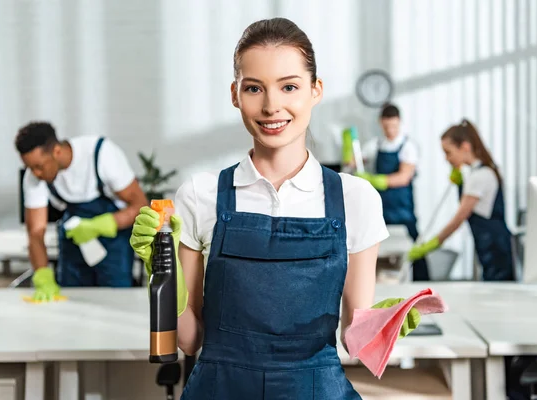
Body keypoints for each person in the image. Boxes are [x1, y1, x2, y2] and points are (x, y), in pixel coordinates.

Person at [130, 18, 420, 399]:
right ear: (235, 94)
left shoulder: (356, 198)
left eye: (289, 87)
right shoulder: (200, 195)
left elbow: (353, 342)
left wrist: (384, 322)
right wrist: (166, 280)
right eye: (254, 88)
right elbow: (189, 340)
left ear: (315, 91)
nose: (271, 106)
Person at [15, 122, 148, 301]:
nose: (36, 173)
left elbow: (140, 206)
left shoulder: (101, 154)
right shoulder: (34, 177)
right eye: (30, 168)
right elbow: (36, 233)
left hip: (114, 246)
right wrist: (42, 274)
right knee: (74, 302)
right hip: (73, 245)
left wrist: (104, 224)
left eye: (39, 166)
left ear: (56, 151)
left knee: (116, 302)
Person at [408, 119, 514, 281]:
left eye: (448, 152)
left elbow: (459, 218)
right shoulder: (478, 173)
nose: (446, 158)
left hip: (495, 250)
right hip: (489, 247)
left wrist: (433, 244)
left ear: (465, 147)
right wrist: (460, 183)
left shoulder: (480, 176)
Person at [355, 104, 430, 281]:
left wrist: (375, 180)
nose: (390, 130)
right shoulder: (375, 145)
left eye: (394, 126)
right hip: (381, 208)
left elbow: (404, 177)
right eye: (387, 126)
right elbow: (355, 160)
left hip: (403, 208)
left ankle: (422, 281)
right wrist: (352, 156)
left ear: (400, 122)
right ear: (381, 123)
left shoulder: (408, 146)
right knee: (378, 245)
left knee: (414, 245)